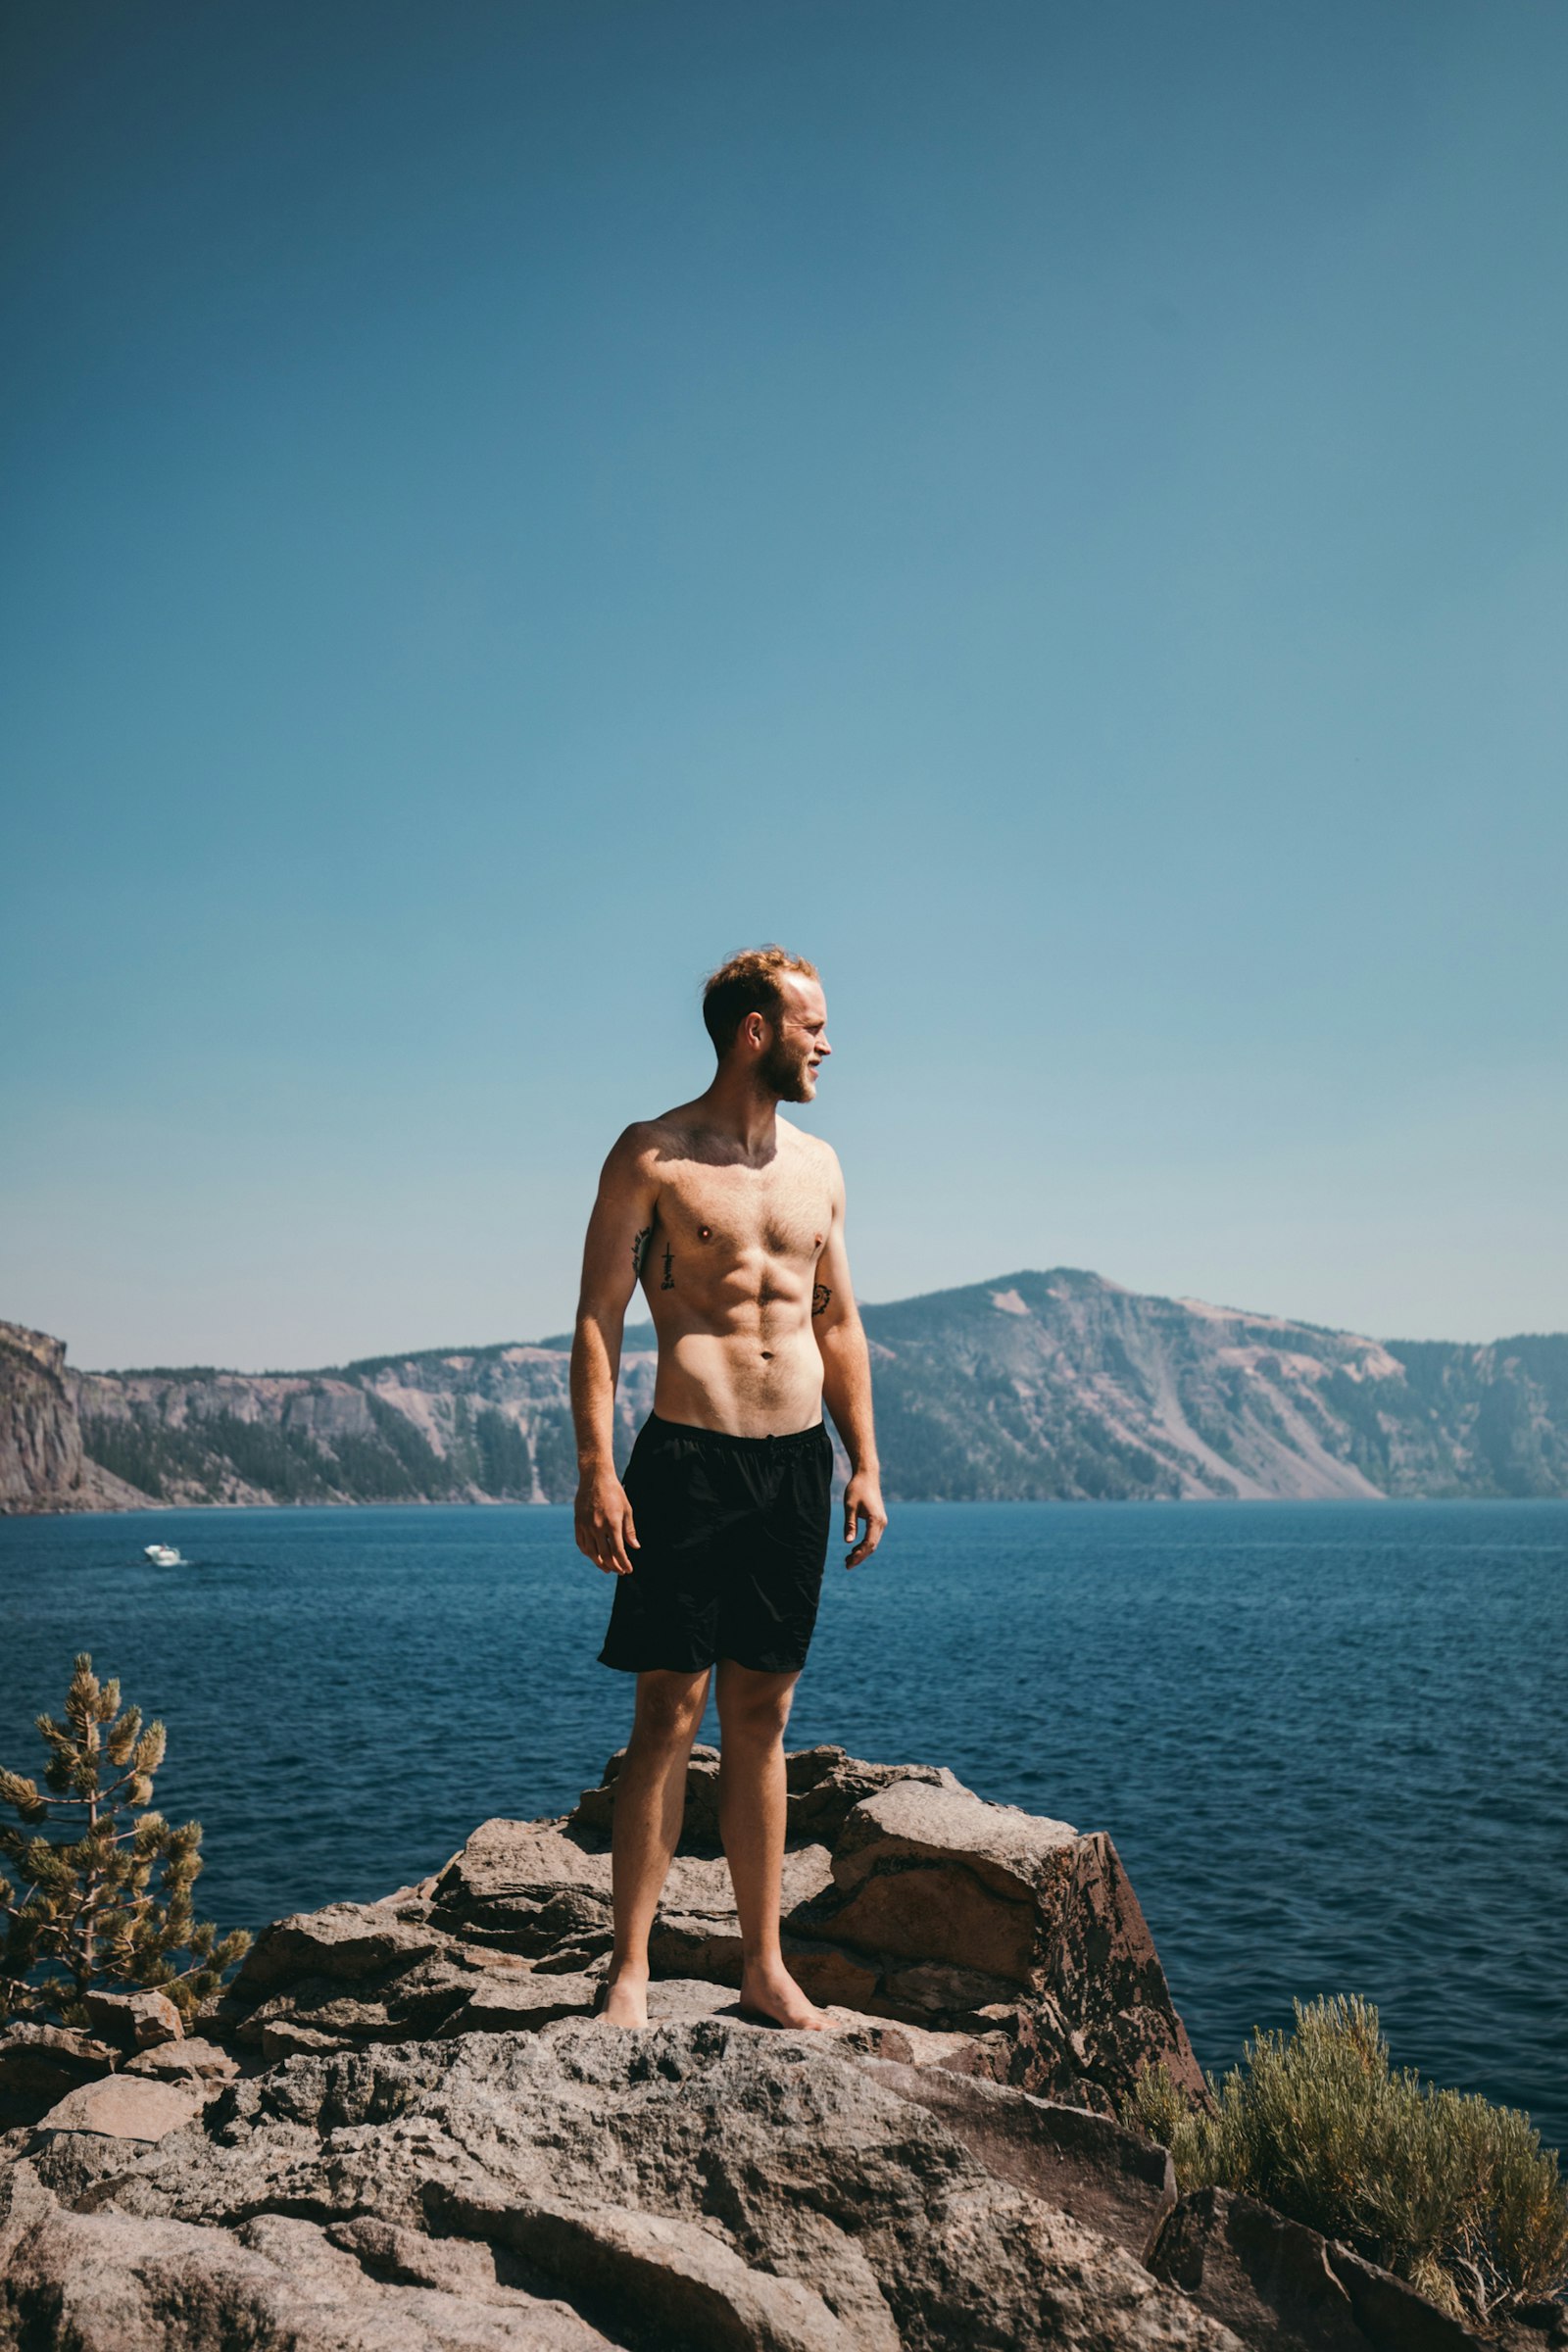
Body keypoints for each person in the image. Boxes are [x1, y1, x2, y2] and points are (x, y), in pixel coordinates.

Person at [569, 945, 888, 2031]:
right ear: (756, 1031)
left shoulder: (822, 1168)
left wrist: (866, 1463)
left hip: (795, 1463)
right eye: (812, 1024)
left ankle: (763, 1965)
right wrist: (597, 1470)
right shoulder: (652, 1157)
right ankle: (629, 1970)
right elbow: (597, 1320)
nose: (827, 1044)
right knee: (668, 1706)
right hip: (687, 1462)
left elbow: (836, 1320)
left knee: (764, 1708)